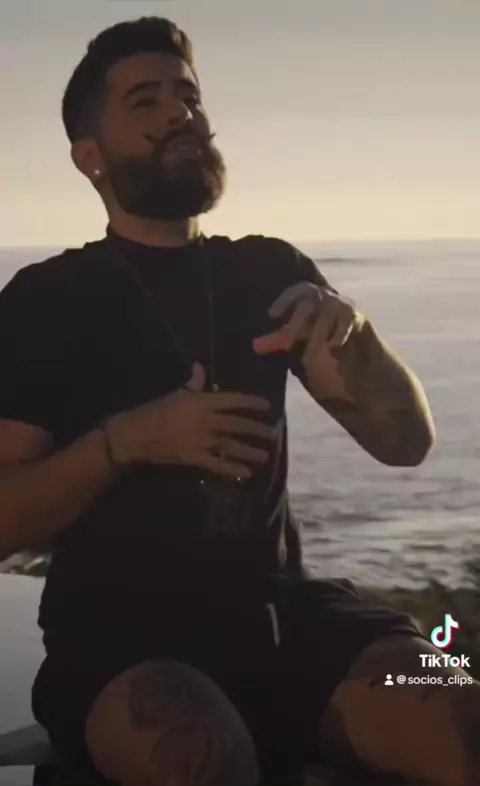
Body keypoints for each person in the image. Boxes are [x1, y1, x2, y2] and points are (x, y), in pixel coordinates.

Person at [0, 16, 478, 786]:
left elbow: (404, 443)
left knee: (456, 704)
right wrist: (125, 443)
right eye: (146, 102)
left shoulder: (269, 272)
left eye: (188, 96)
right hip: (122, 643)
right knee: (196, 754)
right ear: (90, 158)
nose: (179, 113)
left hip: (285, 618)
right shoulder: (45, 300)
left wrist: (358, 340)